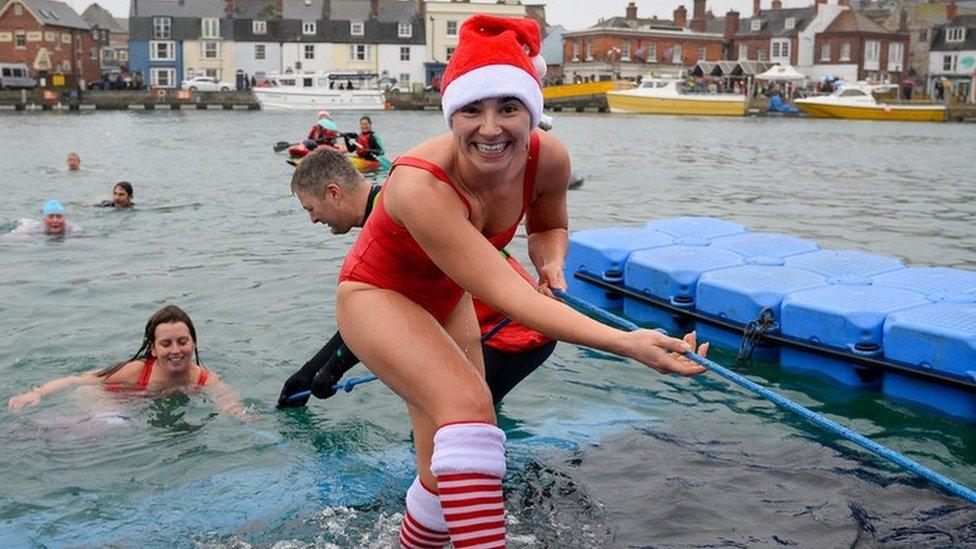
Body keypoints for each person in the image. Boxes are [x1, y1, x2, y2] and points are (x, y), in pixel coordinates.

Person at [332, 16, 708, 548]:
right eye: (472, 110)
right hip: (377, 296)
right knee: (470, 410)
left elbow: (550, 225)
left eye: (508, 108)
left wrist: (550, 261)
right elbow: (509, 296)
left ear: (532, 111)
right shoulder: (420, 185)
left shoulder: (547, 158)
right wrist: (628, 343)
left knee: (442, 466)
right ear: (451, 115)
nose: (490, 128)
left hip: (447, 297)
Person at [278, 149, 556, 409]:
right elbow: (369, 315)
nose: (313, 220)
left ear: (334, 193)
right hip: (516, 324)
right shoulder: (396, 199)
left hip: (513, 332)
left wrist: (330, 369)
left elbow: (377, 319)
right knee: (459, 424)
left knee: (448, 427)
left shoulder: (399, 221)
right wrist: (310, 372)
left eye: (310, 209)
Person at [7, 305, 244, 416]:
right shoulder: (135, 371)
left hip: (135, 405)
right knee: (114, 428)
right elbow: (79, 381)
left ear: (194, 343)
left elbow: (229, 403)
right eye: (166, 344)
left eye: (182, 341)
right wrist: (38, 393)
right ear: (152, 348)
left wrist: (245, 418)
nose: (176, 350)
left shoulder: (204, 378)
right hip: (100, 397)